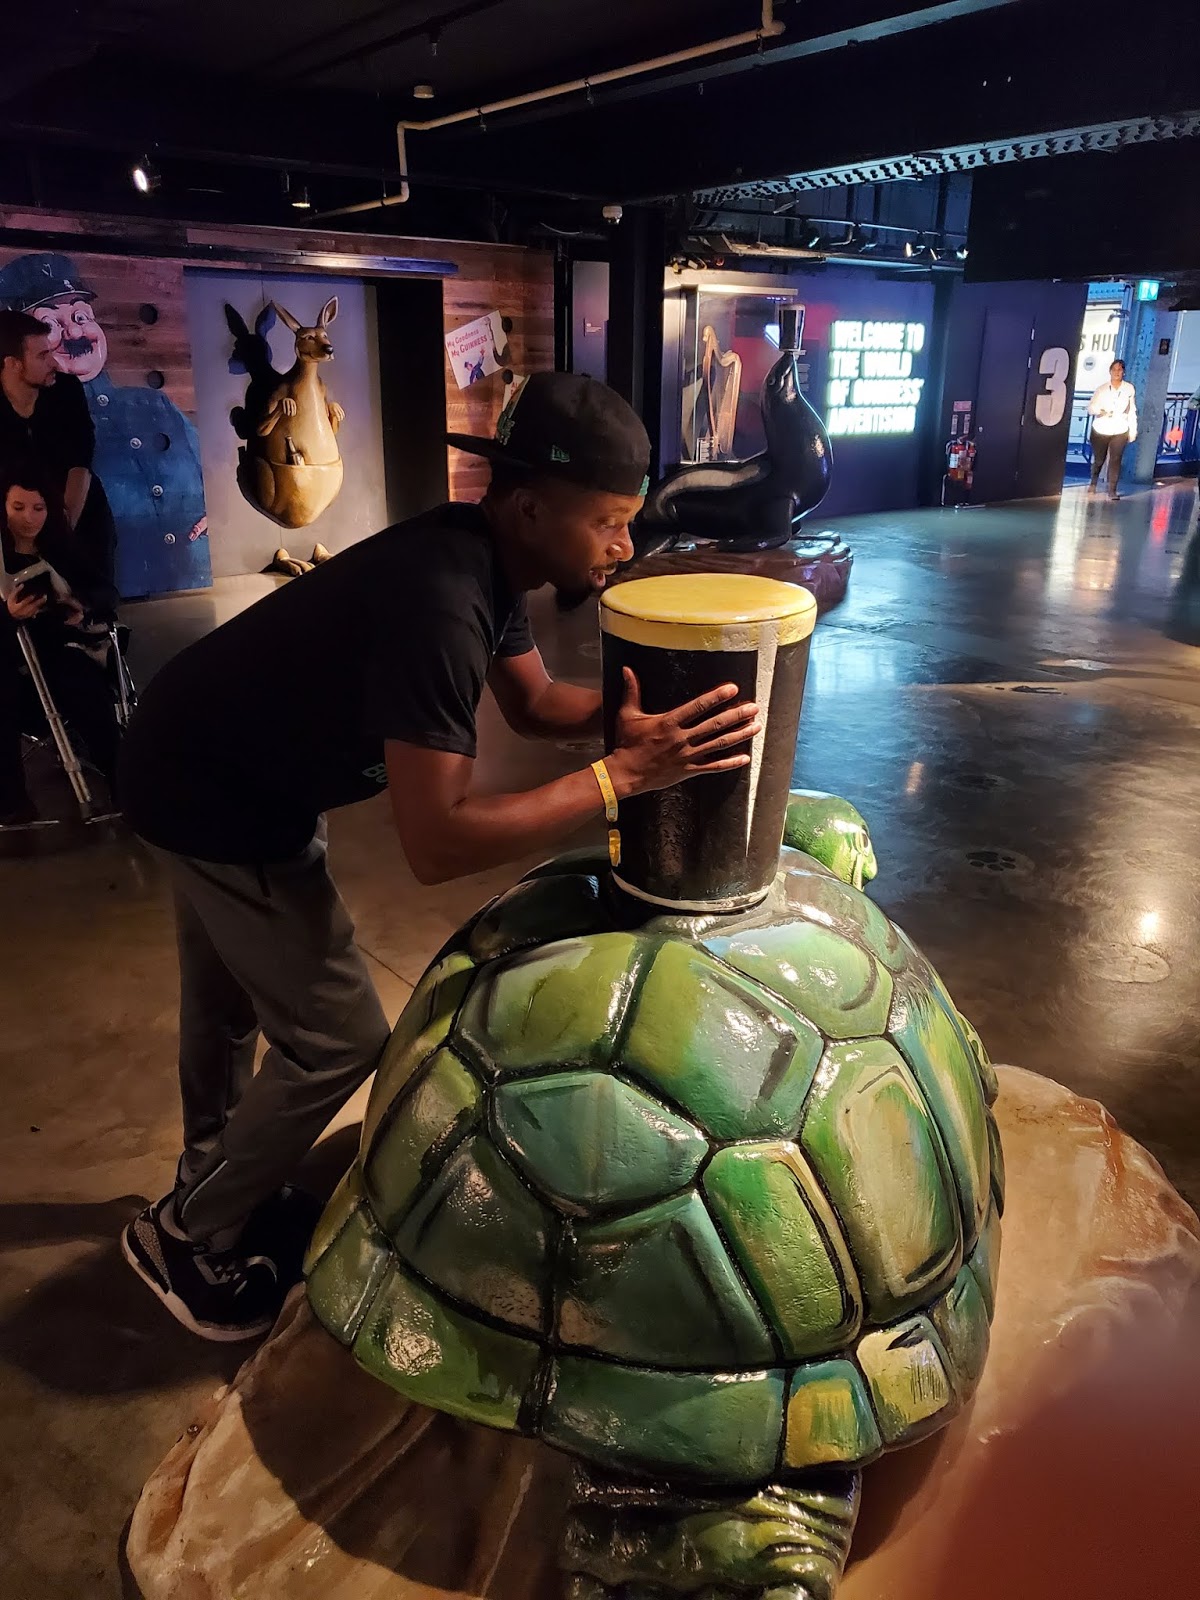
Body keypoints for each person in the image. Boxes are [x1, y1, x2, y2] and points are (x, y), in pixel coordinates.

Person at [117, 372, 762, 1342]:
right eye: (608, 523)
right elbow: (439, 839)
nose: (624, 548)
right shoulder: (442, 602)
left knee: (230, 999)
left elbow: (535, 705)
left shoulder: (484, 557)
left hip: (198, 752)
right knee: (336, 1041)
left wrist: (630, 720)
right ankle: (188, 1232)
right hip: (217, 797)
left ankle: (215, 1180)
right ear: (532, 507)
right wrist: (621, 778)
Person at [0, 255, 209, 597]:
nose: (75, 332)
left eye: (81, 316)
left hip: (110, 544)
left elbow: (80, 460)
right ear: (14, 361)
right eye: (51, 325)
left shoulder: (151, 403)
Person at [0, 470, 122, 824]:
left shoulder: (61, 550)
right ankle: (11, 802)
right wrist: (8, 616)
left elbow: (107, 593)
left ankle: (122, 782)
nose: (29, 518)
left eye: (38, 509)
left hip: (59, 647)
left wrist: (80, 604)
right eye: (18, 507)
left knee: (81, 682)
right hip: (9, 657)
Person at [0, 307, 118, 583]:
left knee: (94, 596)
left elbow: (80, 462)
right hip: (16, 523)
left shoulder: (66, 389)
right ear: (12, 364)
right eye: (43, 355)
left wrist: (61, 533)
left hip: (78, 510)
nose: (54, 363)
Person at [1087, 358, 1138, 501]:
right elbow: (1091, 407)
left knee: (1115, 459)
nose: (1117, 372)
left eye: (1119, 370)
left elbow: (1132, 410)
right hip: (1101, 428)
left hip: (1120, 428)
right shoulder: (1101, 389)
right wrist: (1100, 411)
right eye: (1114, 370)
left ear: (1123, 372)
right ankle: (1093, 481)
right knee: (1099, 459)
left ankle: (1112, 489)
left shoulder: (1129, 389)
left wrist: (1133, 430)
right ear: (1110, 372)